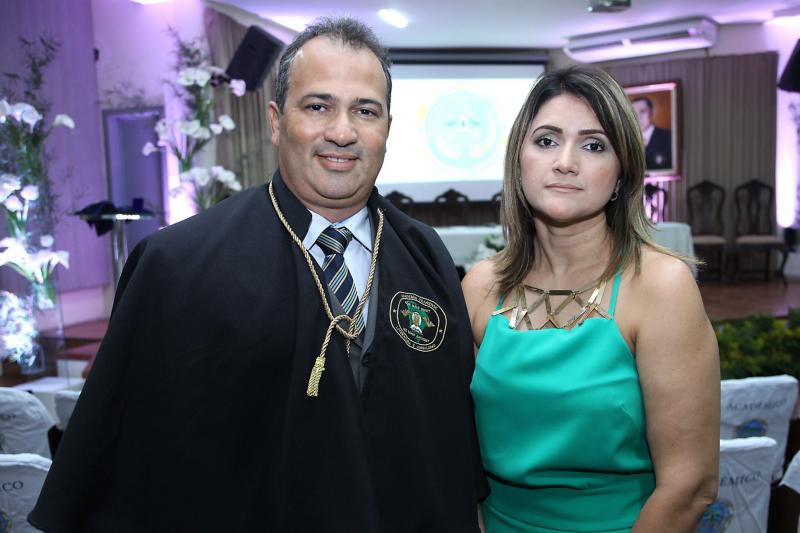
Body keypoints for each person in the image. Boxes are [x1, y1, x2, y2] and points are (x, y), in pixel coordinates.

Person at [30, 17, 486, 532]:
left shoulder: (426, 255)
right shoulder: (176, 266)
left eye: (365, 111)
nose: (342, 132)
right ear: (275, 121)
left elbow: (451, 441)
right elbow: (130, 465)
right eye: (318, 107)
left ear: (387, 129)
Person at [463, 65, 719, 532]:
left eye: (594, 145)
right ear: (518, 160)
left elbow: (690, 485)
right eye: (546, 140)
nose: (565, 162)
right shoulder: (481, 286)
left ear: (621, 175)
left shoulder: (660, 286)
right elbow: (451, 450)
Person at [631, 96, 672, 170]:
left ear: (652, 112)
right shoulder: (626, 141)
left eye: (642, 111)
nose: (638, 117)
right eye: (634, 113)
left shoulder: (669, 137)